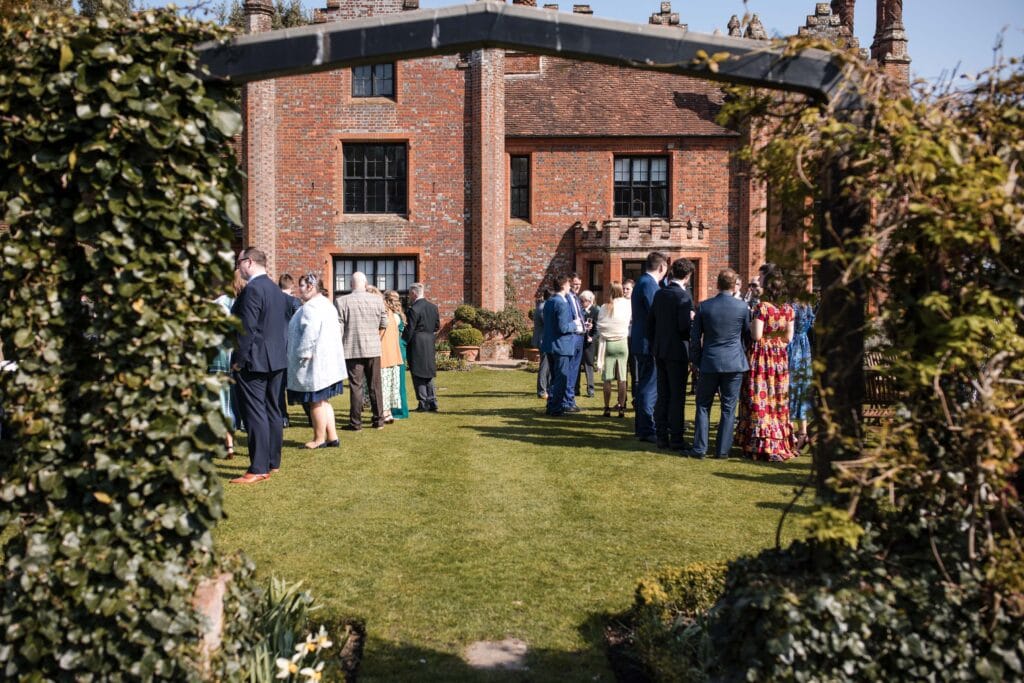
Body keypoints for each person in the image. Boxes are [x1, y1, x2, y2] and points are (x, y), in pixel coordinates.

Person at [230, 247, 289, 483]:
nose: (238, 267)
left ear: (250, 262)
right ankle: (272, 461)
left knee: (255, 413)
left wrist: (238, 361)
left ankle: (258, 467)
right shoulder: (275, 289)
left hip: (254, 360)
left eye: (239, 262)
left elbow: (247, 329)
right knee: (273, 409)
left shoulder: (253, 289)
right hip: (276, 358)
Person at [685, 268, 751, 460]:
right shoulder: (742, 308)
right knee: (729, 407)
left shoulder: (705, 306)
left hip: (710, 362)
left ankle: (700, 448)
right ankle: (722, 450)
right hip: (734, 363)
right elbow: (747, 336)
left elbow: (695, 338)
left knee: (703, 405)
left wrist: (696, 361)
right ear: (734, 285)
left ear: (717, 284)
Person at [737, 264, 797, 462]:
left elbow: (756, 335)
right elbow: (789, 337)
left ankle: (761, 444)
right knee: (777, 399)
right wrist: (776, 342)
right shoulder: (788, 309)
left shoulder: (762, 308)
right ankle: (779, 442)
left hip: (762, 357)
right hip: (779, 357)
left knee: (759, 398)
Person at [286, 273, 344, 449]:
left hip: (314, 363)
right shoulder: (327, 304)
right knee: (324, 400)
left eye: (302, 286)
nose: (299, 290)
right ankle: (332, 437)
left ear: (311, 287)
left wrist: (304, 352)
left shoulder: (311, 307)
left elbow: (311, 332)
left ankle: (319, 439)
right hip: (327, 362)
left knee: (315, 401)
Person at [646, 258, 694, 450]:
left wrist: (655, 344)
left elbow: (651, 323)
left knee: (663, 394)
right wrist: (692, 320)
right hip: (677, 351)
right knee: (677, 396)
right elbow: (684, 329)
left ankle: (661, 436)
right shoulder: (683, 297)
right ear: (688, 276)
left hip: (660, 349)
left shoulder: (660, 294)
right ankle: (676, 438)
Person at [336, 272, 389, 431]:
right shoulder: (377, 300)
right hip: (373, 348)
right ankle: (379, 420)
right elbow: (384, 323)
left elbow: (338, 328)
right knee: (375, 386)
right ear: (366, 284)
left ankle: (356, 423)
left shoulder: (341, 301)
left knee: (356, 387)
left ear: (351, 284)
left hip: (352, 350)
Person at [630, 251, 669, 443]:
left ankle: (642, 427)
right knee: (648, 386)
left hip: (642, 341)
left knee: (645, 384)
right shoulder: (649, 284)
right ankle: (646, 428)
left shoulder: (643, 282)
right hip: (648, 343)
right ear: (662, 267)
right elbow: (657, 312)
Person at [211, 269, 245, 459]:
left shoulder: (220, 304)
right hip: (239, 358)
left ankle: (227, 444)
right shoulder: (245, 303)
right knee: (234, 401)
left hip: (220, 357)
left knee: (222, 402)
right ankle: (230, 441)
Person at [541, 273, 577, 416]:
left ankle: (551, 405)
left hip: (550, 345)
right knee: (561, 378)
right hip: (561, 346)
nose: (570, 286)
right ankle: (556, 408)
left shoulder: (549, 301)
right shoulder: (561, 303)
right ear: (563, 286)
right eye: (569, 284)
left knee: (554, 379)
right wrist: (574, 325)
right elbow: (563, 327)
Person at [595, 281, 631, 418]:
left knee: (607, 378)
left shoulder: (604, 307)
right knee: (622, 378)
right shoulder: (627, 305)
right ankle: (621, 407)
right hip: (622, 342)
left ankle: (607, 408)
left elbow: (600, 327)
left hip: (608, 343)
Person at [403, 282, 440, 412]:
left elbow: (410, 329)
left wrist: (402, 341)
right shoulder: (433, 307)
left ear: (413, 293)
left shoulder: (414, 309)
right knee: (428, 373)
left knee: (417, 373)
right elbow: (437, 326)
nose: (409, 296)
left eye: (409, 294)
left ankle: (423, 402)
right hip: (429, 341)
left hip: (417, 342)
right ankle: (432, 401)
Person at [788, 294, 816, 451]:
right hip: (805, 348)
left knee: (790, 388)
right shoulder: (808, 306)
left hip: (793, 347)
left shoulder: (790, 307)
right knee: (802, 389)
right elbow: (811, 325)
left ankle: (791, 433)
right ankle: (803, 433)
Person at [277, 274, 303, 428]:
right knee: (301, 382)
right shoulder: (295, 302)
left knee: (279, 386)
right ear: (291, 285)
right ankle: (311, 415)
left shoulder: (273, 300)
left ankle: (283, 417)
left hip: (277, 347)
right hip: (292, 346)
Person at [381, 290, 410, 421]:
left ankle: (398, 411)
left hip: (392, 348)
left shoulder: (391, 315)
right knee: (398, 382)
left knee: (395, 382)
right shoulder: (400, 314)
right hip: (399, 347)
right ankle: (397, 410)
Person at [563, 272, 586, 411]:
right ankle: (567, 401)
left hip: (580, 336)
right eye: (575, 284)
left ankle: (570, 401)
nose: (577, 286)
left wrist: (584, 325)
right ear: (570, 283)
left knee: (575, 371)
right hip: (572, 337)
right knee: (570, 370)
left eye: (579, 284)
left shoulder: (576, 298)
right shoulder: (566, 298)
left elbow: (579, 316)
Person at [575, 290, 599, 399]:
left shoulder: (595, 311)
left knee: (588, 366)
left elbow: (598, 328)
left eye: (583, 301)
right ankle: (576, 389)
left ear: (589, 301)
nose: (581, 302)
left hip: (589, 343)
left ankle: (591, 389)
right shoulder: (579, 311)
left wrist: (592, 337)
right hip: (579, 342)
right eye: (580, 300)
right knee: (577, 366)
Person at [533, 288, 552, 399]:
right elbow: (548, 323)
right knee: (544, 366)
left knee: (547, 365)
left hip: (543, 338)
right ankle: (542, 390)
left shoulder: (540, 306)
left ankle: (547, 388)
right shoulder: (544, 308)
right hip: (543, 339)